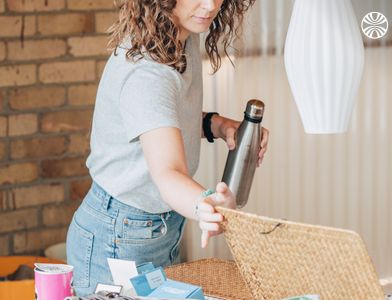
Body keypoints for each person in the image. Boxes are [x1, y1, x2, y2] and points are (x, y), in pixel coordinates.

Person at [66, 0, 268, 296]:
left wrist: (220, 125)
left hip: (158, 225)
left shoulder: (183, 33)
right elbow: (167, 172)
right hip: (118, 235)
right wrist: (207, 204)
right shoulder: (147, 73)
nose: (210, 5)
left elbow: (164, 122)